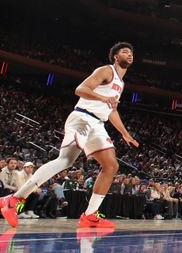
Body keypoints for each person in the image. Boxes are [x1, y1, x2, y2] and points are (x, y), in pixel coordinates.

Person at [0, 42, 139, 229]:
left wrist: (124, 133)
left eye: (131, 53)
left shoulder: (120, 83)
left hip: (97, 124)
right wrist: (103, 98)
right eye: (125, 52)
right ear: (115, 57)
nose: (129, 54)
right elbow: (81, 89)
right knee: (65, 160)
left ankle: (90, 215)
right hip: (82, 117)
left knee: (111, 165)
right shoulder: (106, 71)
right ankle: (14, 199)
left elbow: (112, 110)